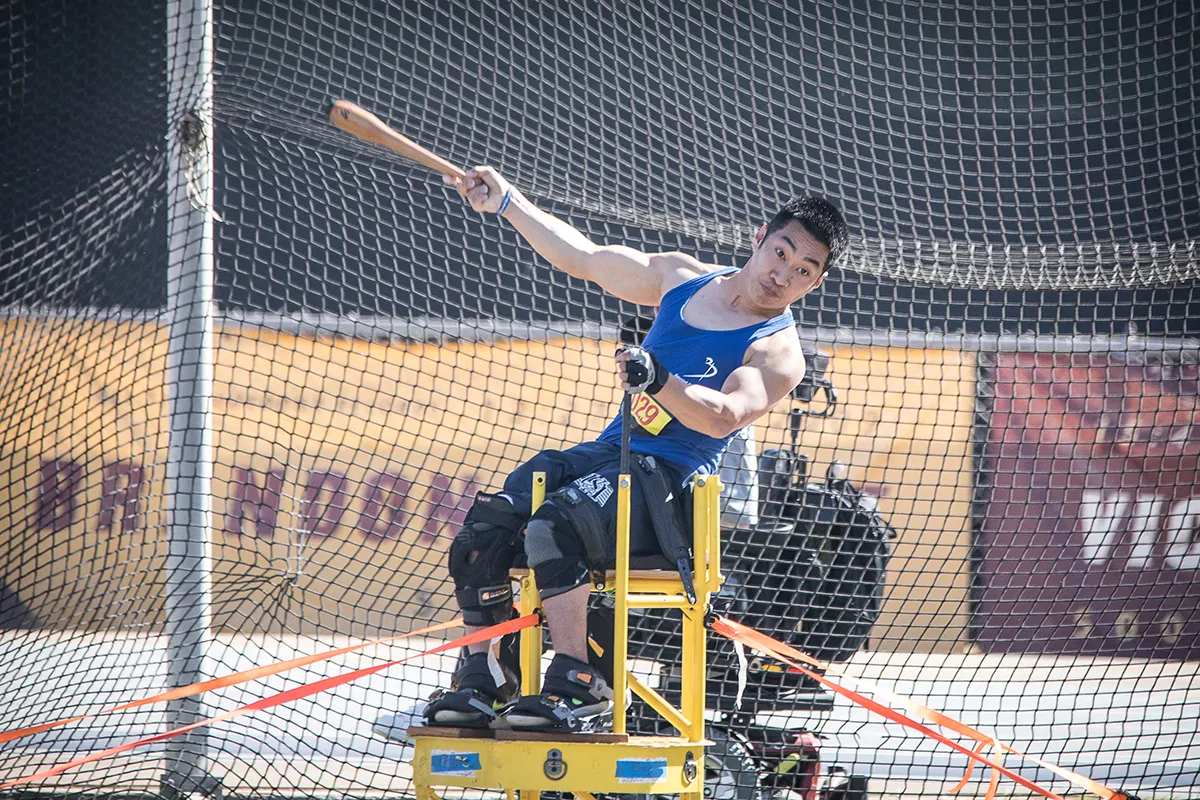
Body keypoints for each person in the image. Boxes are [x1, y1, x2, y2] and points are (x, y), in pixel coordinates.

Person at [420, 166, 847, 732]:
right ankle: (486, 677)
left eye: (802, 271)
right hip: (611, 454)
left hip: (669, 487)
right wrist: (508, 203)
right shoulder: (680, 278)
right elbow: (585, 258)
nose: (782, 274)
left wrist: (658, 378)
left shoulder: (778, 351)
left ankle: (579, 682)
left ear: (813, 284)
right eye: (781, 252)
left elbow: (724, 418)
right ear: (760, 236)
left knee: (552, 528)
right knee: (486, 528)